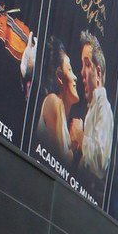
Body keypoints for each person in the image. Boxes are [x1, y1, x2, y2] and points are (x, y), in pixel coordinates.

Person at [77, 28, 113, 197]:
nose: (82, 72)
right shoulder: (93, 107)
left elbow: (99, 163)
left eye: (87, 64)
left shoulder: (103, 108)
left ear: (98, 73)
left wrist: (79, 136)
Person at [36, 36, 79, 168]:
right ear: (60, 77)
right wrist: (76, 139)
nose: (76, 77)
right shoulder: (52, 101)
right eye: (70, 70)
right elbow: (60, 161)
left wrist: (73, 144)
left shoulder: (64, 122)